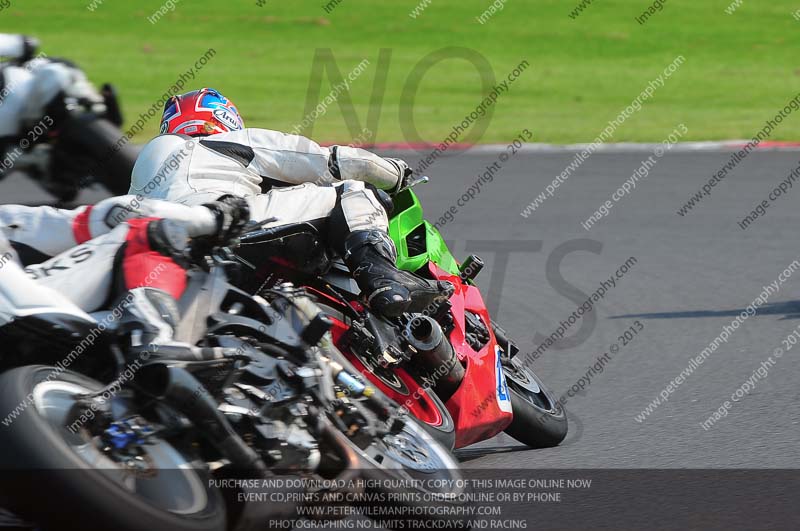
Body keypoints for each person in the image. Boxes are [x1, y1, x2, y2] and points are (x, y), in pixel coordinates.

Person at [130, 88, 452, 318]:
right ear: (225, 120)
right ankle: (383, 280)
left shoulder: (140, 177)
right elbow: (330, 163)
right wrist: (396, 174)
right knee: (352, 192)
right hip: (232, 228)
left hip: (172, 270)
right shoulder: (228, 141)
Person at [0, 194, 250, 362]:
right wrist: (212, 218)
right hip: (21, 318)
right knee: (145, 228)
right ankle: (151, 336)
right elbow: (112, 215)